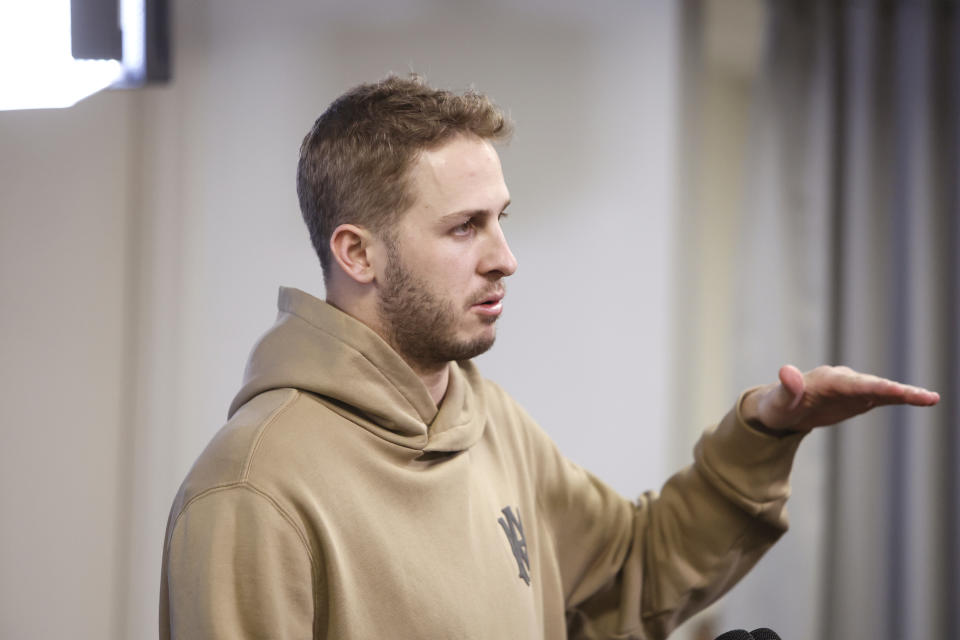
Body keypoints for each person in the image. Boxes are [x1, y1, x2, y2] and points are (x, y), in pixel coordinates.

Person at [158, 75, 939, 640]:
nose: (506, 257)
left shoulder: (483, 419)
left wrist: (768, 432)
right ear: (358, 253)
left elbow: (632, 575)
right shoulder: (252, 487)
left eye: (502, 219)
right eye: (465, 227)